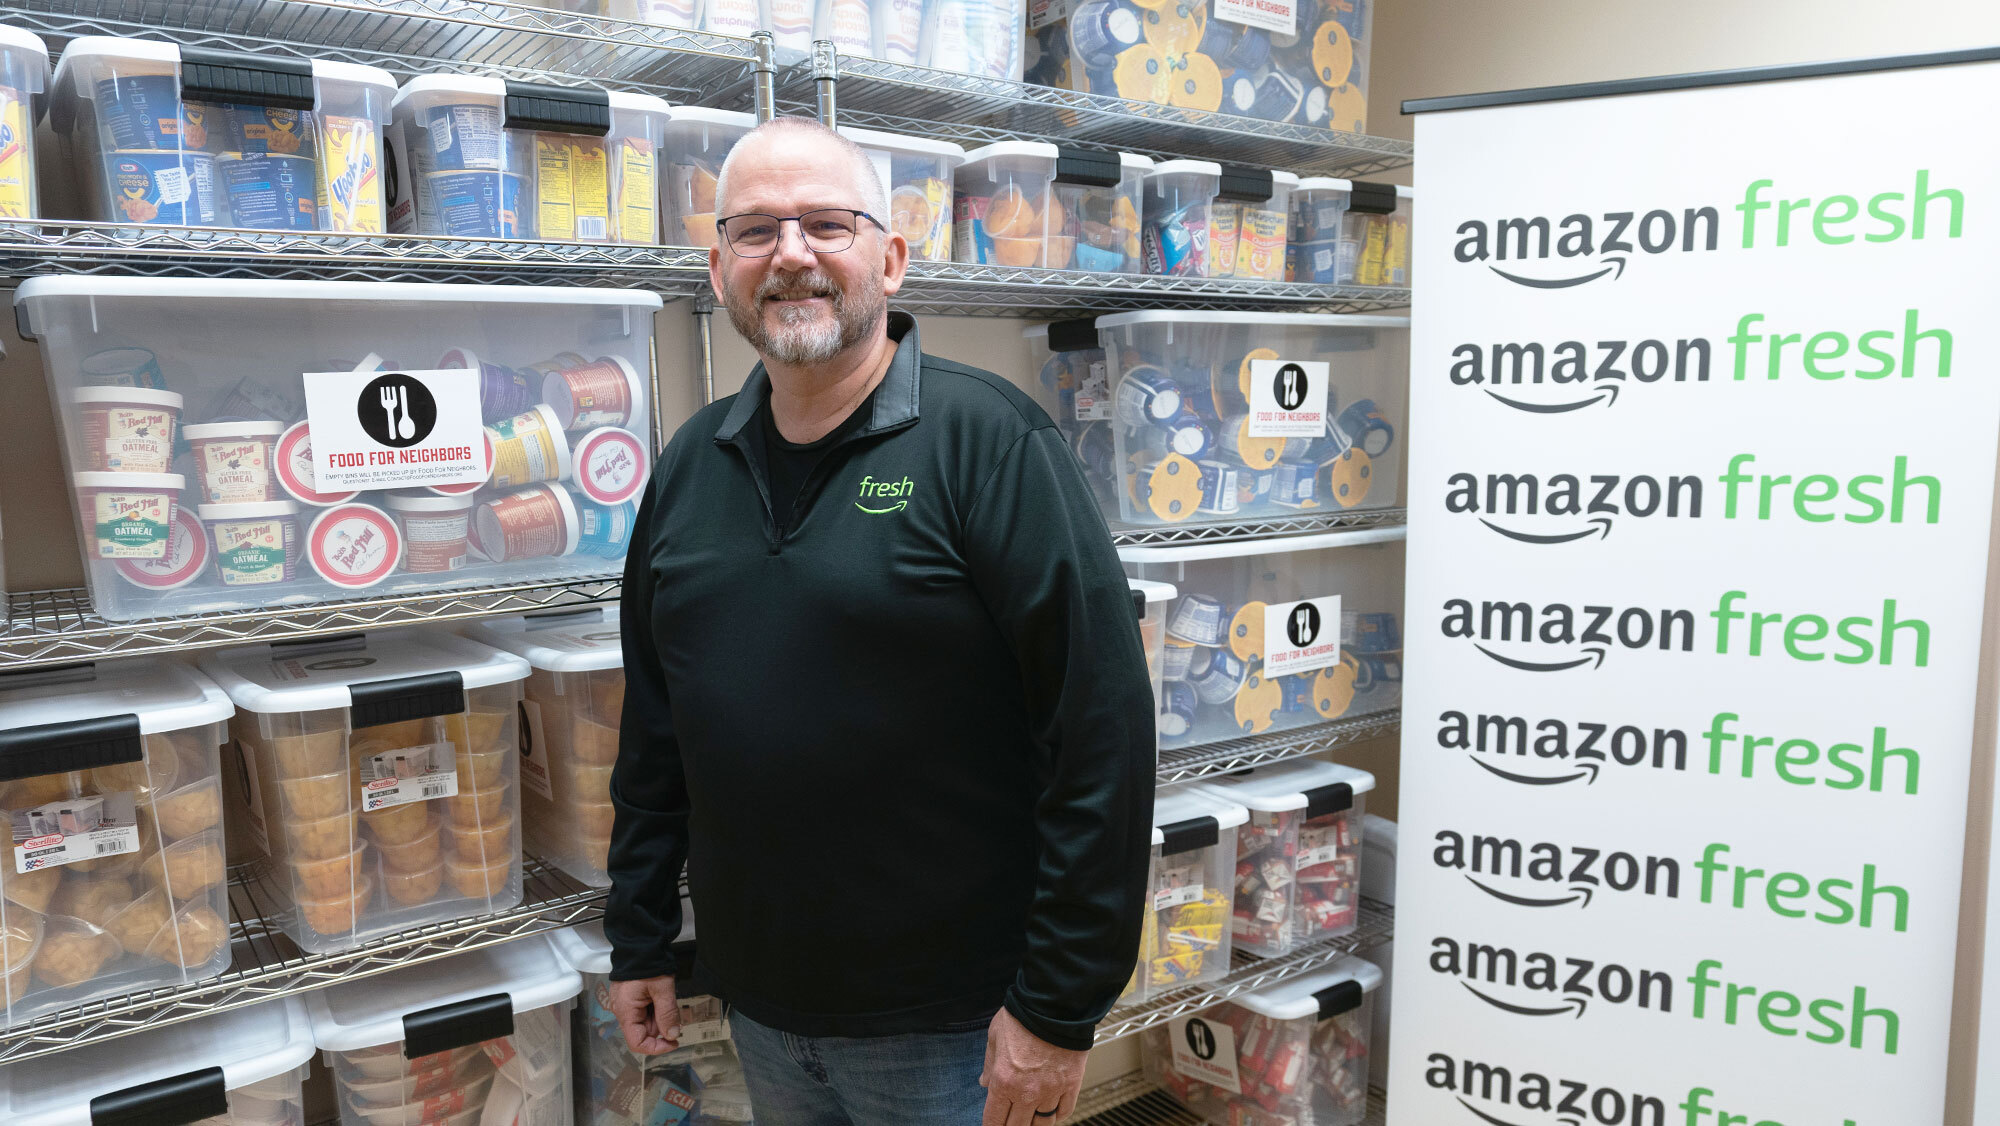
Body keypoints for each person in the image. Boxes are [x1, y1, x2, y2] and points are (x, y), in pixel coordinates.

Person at [605, 116, 1157, 1126]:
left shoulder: (988, 443)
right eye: (755, 231)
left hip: (955, 1028)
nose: (792, 255)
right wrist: (639, 933)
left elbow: (1103, 736)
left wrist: (1057, 1006)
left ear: (891, 258)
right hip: (762, 1009)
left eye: (826, 224)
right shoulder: (688, 466)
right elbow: (655, 722)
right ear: (717, 264)